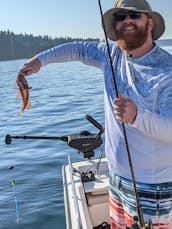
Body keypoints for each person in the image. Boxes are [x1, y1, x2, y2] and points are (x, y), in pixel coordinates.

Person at [18, 0, 172, 228]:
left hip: (153, 188)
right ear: (114, 25)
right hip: (116, 178)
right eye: (120, 16)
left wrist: (138, 116)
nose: (127, 20)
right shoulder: (110, 54)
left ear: (150, 23)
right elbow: (77, 49)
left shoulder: (167, 70)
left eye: (134, 14)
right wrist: (40, 60)